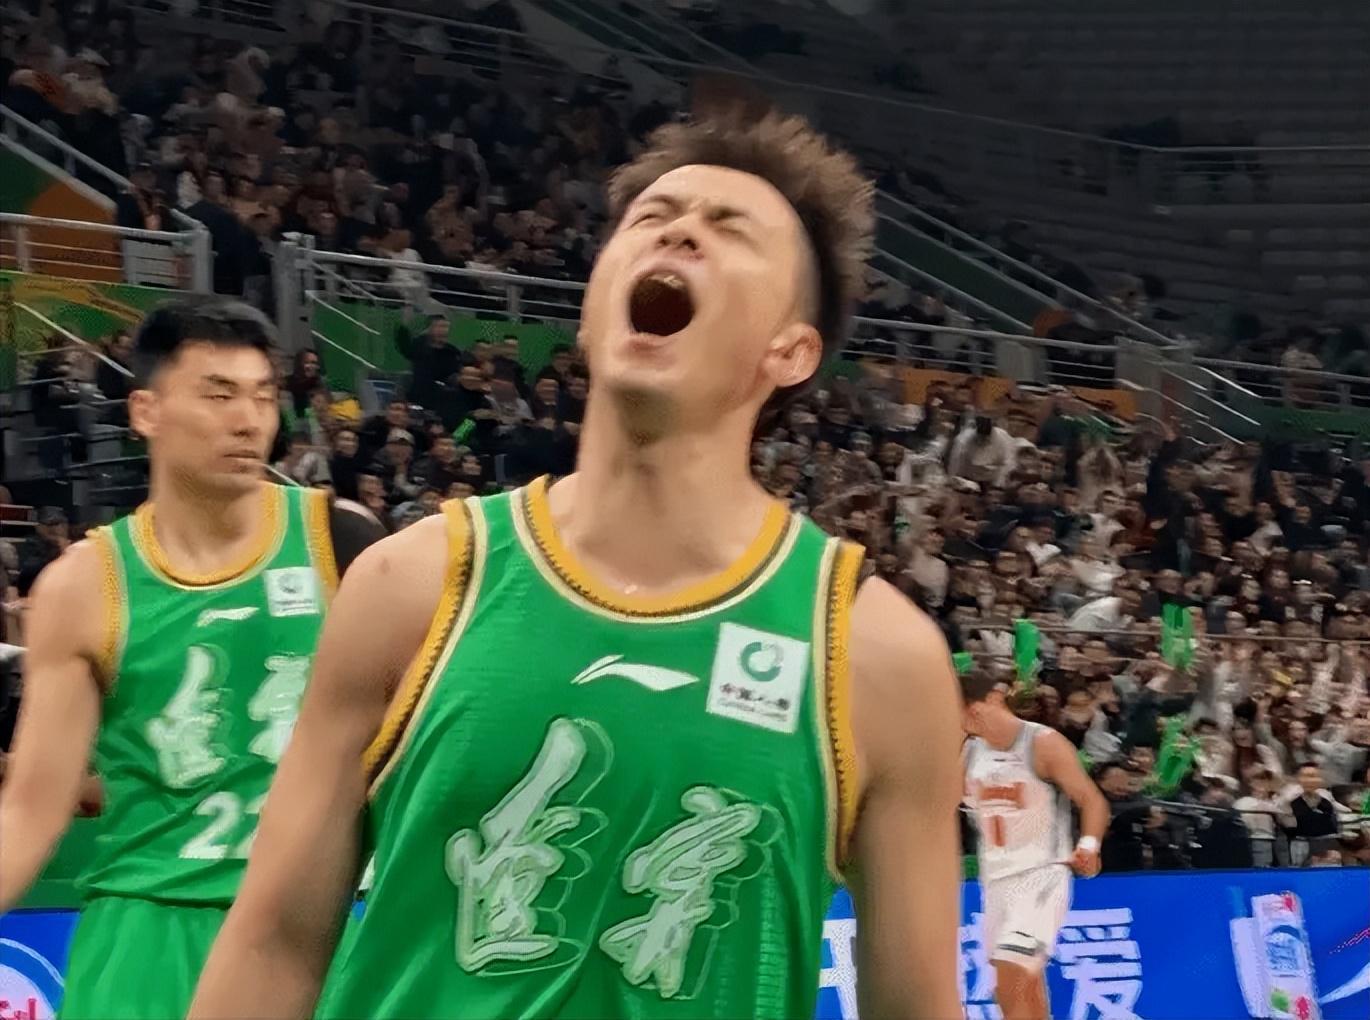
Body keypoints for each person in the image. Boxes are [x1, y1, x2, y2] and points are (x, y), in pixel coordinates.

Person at [191, 109, 963, 1019]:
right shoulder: (415, 584)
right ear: (593, 303)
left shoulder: (878, 657)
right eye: (652, 217)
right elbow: (273, 945)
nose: (678, 231)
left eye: (729, 230)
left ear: (789, 350)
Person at [0, 298, 383, 1020]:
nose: (249, 421)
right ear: (145, 411)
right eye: (218, 394)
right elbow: (31, 811)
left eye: (263, 396)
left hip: (316, 928)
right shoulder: (84, 587)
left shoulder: (344, 544)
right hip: (147, 931)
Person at [962, 671, 1109, 1020]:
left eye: (971, 710)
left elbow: (1091, 800)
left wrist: (1089, 845)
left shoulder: (1042, 742)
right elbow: (939, 805)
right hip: (996, 881)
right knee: (1024, 985)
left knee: (1009, 977)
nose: (968, 720)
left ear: (995, 699)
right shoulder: (970, 752)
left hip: (1041, 875)